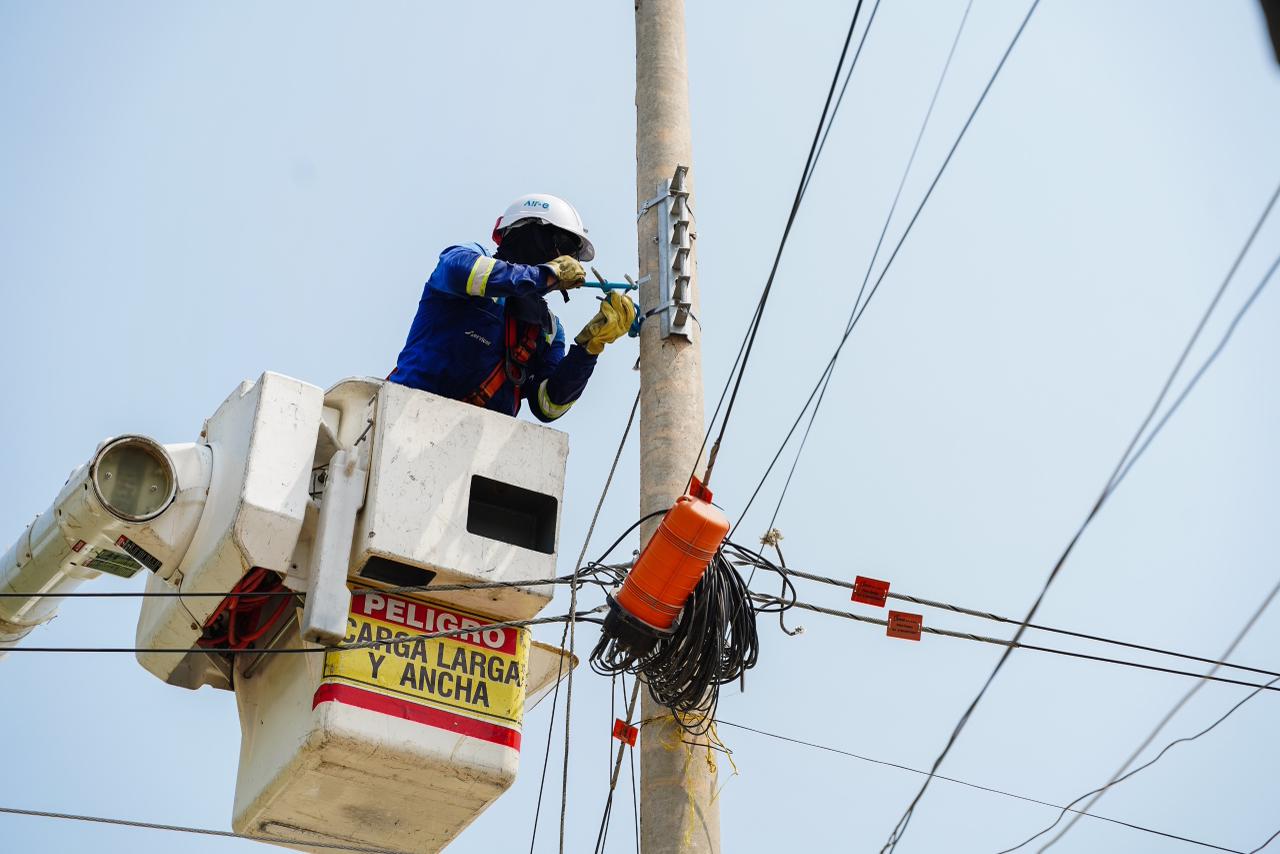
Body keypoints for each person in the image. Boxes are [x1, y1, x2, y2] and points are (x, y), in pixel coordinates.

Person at [388, 194, 636, 421]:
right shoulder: (470, 257)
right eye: (563, 246)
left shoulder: (547, 327)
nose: (568, 261)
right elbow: (461, 270)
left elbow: (548, 405)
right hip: (405, 418)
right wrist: (544, 274)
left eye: (573, 256)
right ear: (527, 231)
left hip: (478, 453)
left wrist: (588, 349)